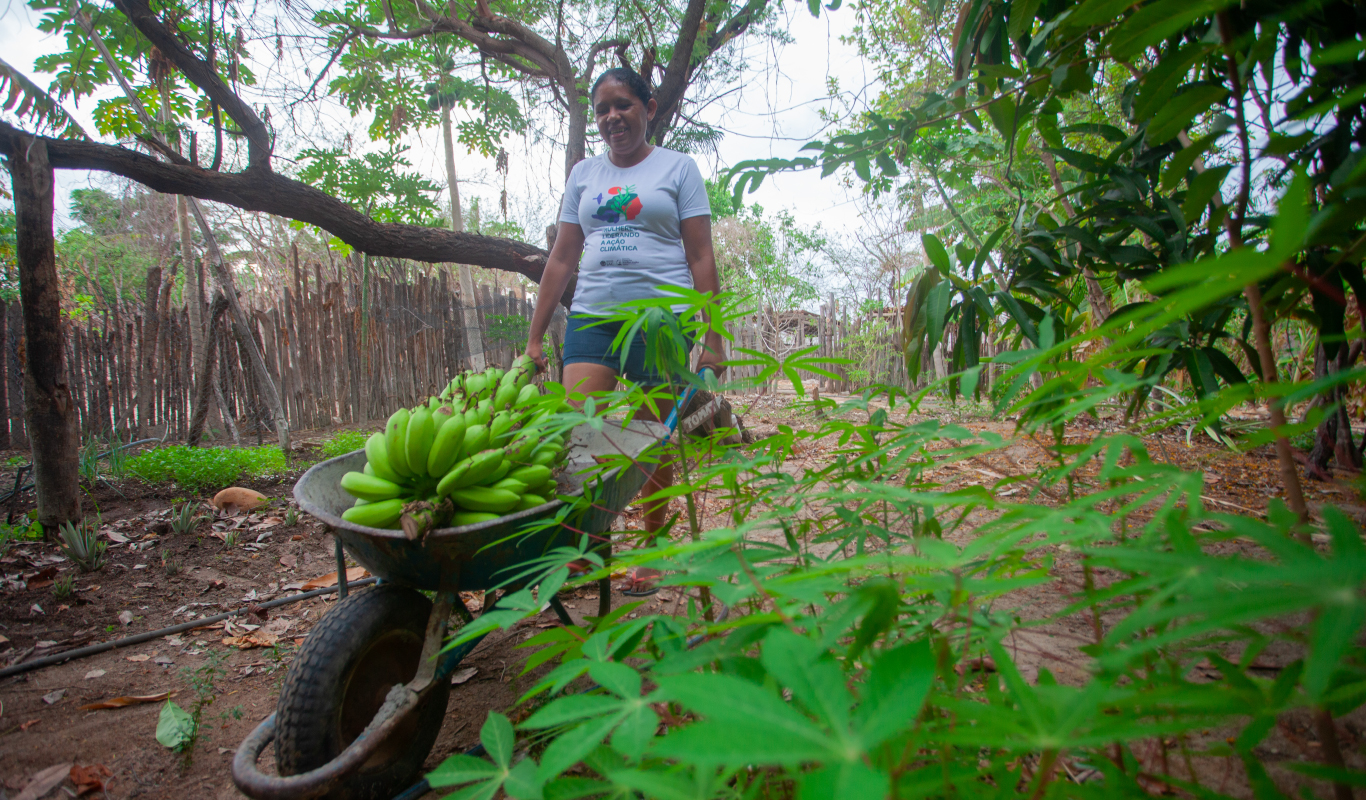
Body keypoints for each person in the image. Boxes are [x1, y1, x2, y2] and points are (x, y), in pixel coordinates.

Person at [523, 67, 726, 595]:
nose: (612, 117)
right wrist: (534, 337)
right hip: (593, 316)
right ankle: (584, 544)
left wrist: (715, 337)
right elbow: (562, 257)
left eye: (623, 105)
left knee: (651, 437)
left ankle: (653, 550)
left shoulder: (678, 168)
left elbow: (700, 255)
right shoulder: (584, 175)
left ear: (648, 108)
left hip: (662, 320)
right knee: (577, 431)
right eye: (602, 110)